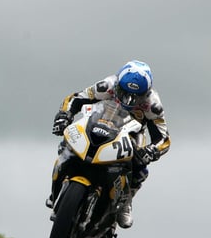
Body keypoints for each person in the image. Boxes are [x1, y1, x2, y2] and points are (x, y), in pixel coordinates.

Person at [47, 60, 170, 228]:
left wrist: (152, 150)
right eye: (124, 92)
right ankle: (57, 186)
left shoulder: (153, 105)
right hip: (100, 121)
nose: (128, 100)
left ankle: (125, 204)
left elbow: (164, 138)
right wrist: (64, 114)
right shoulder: (106, 85)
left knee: (140, 169)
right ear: (118, 84)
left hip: (131, 133)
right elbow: (76, 98)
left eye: (135, 96)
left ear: (145, 93)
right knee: (66, 144)